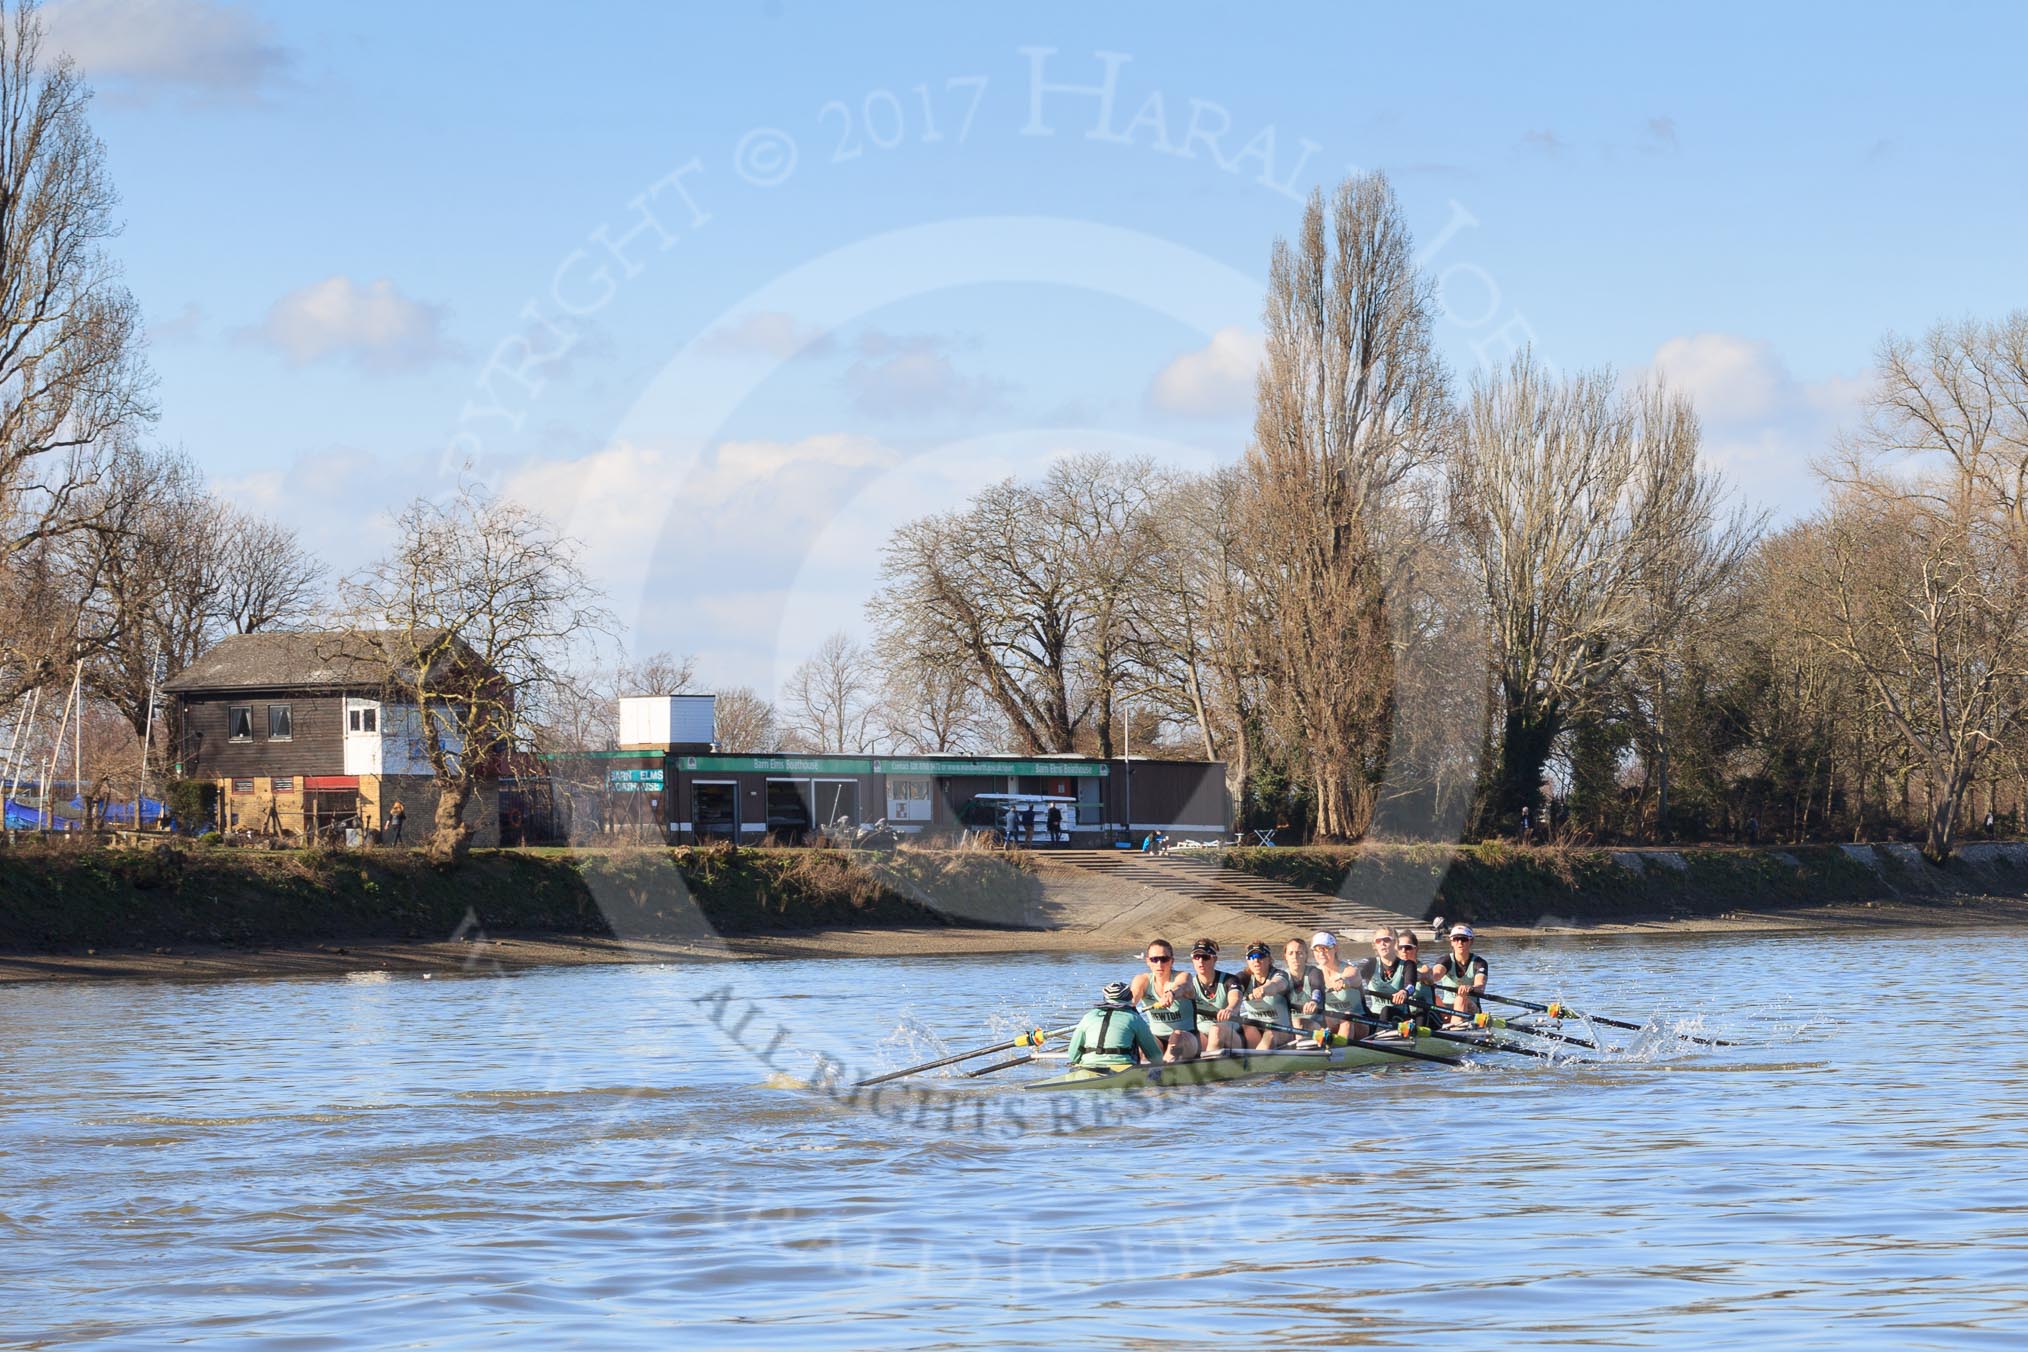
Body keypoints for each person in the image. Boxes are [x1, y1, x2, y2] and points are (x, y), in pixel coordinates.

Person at [1064, 980, 1163, 1070]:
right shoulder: (1134, 1018)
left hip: (1088, 1065)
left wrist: (1077, 1064)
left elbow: (1073, 1055)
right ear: (1129, 997)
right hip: (1123, 1067)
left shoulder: (1088, 1016)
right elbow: (1154, 1055)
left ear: (1105, 998)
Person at [1130, 938, 1200, 1062]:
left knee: (1176, 1036)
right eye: (1154, 959)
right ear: (1148, 961)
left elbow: (1183, 986)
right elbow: (1132, 1000)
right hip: (1158, 1040)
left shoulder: (1183, 976)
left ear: (1172, 961)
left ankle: (1163, 1069)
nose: (1159, 964)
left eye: (1164, 959)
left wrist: (1171, 993)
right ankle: (1147, 1071)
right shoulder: (1142, 980)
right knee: (1143, 1043)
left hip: (1187, 1039)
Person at [1351, 927, 1418, 1036]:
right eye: (1378, 941)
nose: (1382, 943)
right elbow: (1355, 973)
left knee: (1386, 1010)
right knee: (1354, 1013)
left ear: (1395, 943)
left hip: (1399, 1015)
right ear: (1375, 945)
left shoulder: (1408, 965)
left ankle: (1376, 1042)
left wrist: (1404, 992)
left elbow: (1411, 985)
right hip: (1375, 1015)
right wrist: (1344, 980)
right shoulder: (1370, 963)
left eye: (1386, 940)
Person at [1185, 938, 1241, 1056]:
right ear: (1192, 960)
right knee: (1181, 1035)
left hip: (1231, 1034)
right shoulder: (1189, 984)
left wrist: (1230, 1008)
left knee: (1216, 1030)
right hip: (1202, 1034)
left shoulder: (1230, 980)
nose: (1200, 961)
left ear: (1214, 959)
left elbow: (1235, 998)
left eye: (1205, 957)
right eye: (1196, 957)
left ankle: (1208, 1069)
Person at [1236, 941, 1294, 1049]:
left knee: (1270, 1032)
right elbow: (1232, 991)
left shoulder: (1280, 974)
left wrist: (1264, 989)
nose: (1256, 960)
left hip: (1282, 1031)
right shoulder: (1243, 977)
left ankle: (1255, 1062)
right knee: (1243, 1028)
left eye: (1260, 956)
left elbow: (1276, 984)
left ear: (1269, 959)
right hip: (1257, 1030)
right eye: (1252, 956)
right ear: (1247, 960)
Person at [1431, 924, 1489, 1025]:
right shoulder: (1445, 961)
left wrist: (1470, 988)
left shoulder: (1479, 963)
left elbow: (1480, 986)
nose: (1460, 942)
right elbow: (1435, 974)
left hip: (1470, 1007)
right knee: (1432, 997)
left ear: (1471, 941)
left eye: (1464, 939)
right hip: (1447, 1008)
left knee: (1460, 998)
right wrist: (1422, 978)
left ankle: (1455, 1029)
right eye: (1456, 939)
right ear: (1451, 942)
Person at [1314, 932, 1363, 1042]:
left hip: (1358, 1023)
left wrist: (1344, 981)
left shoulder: (1349, 969)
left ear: (1335, 948)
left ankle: (1339, 1053)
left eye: (1325, 948)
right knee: (1316, 1019)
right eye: (1317, 948)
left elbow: (1354, 976)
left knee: (1346, 1016)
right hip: (1331, 1022)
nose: (1321, 952)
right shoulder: (1314, 973)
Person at [1282, 936, 1324, 1035]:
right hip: (1289, 1025)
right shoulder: (1281, 976)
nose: (1295, 956)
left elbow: (1316, 987)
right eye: (1291, 953)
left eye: (1299, 953)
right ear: (1285, 956)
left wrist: (1314, 1001)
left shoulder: (1314, 972)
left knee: (1298, 1022)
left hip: (1317, 1023)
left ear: (1306, 955)